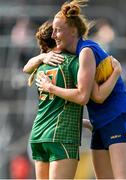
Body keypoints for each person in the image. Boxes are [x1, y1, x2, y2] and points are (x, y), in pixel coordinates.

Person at [36, 0, 126, 179]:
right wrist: (41, 58)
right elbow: (27, 68)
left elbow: (89, 97)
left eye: (58, 29)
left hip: (119, 118)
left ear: (73, 31)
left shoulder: (86, 52)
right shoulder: (76, 55)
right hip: (100, 123)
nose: (53, 35)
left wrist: (50, 87)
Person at [23, 20, 84, 179]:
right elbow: (83, 95)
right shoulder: (73, 62)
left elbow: (26, 67)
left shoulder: (41, 65)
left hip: (38, 135)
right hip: (61, 135)